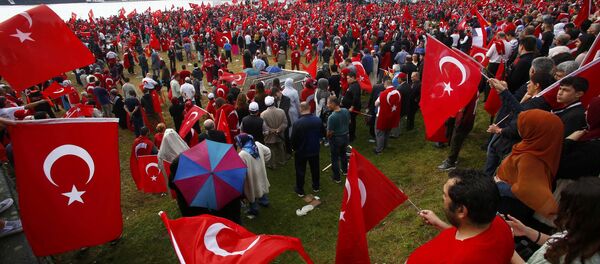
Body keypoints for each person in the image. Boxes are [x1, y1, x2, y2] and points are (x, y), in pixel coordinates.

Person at [407, 169, 514, 263]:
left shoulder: (461, 259)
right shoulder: (499, 223)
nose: (442, 198)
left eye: (445, 195)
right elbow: (471, 239)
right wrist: (439, 223)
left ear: (461, 210)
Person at [508, 177, 600, 263]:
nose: (564, 212)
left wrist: (507, 248)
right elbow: (560, 241)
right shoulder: (587, 237)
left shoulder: (583, 259)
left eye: (568, 209)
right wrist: (526, 231)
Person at [496, 110, 564, 227]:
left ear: (536, 131)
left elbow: (527, 192)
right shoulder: (539, 146)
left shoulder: (530, 159)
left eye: (524, 126)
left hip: (509, 208)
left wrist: (500, 186)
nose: (519, 127)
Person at [235, 133, 271, 219]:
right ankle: (265, 201)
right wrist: (263, 162)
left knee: (251, 192)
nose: (236, 144)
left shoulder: (242, 155)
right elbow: (268, 152)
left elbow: (241, 171)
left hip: (250, 177)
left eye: (237, 142)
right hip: (260, 171)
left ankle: (254, 210)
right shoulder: (257, 145)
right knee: (262, 185)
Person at [291, 102, 323, 197]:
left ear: (301, 109)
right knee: (315, 168)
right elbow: (322, 133)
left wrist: (294, 148)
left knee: (300, 170)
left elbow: (293, 139)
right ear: (309, 108)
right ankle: (316, 186)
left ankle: (300, 190)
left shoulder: (297, 123)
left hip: (301, 151)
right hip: (314, 149)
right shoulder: (318, 120)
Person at [326, 96, 350, 184]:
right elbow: (349, 122)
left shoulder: (332, 117)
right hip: (346, 136)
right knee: (343, 154)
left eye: (328, 103)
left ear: (333, 104)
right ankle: (345, 171)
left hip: (336, 139)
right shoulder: (346, 110)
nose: (327, 105)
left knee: (335, 158)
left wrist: (327, 136)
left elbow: (329, 133)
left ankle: (337, 178)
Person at [374, 78, 401, 154]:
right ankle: (385, 145)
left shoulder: (383, 93)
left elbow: (376, 103)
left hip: (382, 116)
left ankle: (379, 149)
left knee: (379, 132)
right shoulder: (397, 92)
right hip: (392, 115)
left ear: (385, 84)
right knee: (387, 131)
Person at [260, 96, 287, 169]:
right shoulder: (281, 111)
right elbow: (285, 123)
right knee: (281, 148)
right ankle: (282, 161)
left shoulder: (263, 114)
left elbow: (264, 127)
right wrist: (278, 130)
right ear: (273, 102)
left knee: (271, 150)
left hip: (269, 136)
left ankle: (272, 164)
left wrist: (272, 130)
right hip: (280, 134)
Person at [341, 71, 361, 142]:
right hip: (348, 107)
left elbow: (356, 98)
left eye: (348, 78)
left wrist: (352, 107)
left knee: (351, 122)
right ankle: (351, 135)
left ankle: (351, 137)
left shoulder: (355, 86)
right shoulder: (352, 84)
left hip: (351, 108)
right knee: (351, 121)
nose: (347, 80)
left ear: (353, 78)